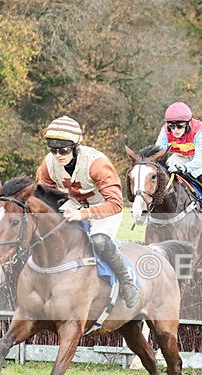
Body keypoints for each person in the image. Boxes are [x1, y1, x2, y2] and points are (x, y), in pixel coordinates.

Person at [36, 115, 140, 308]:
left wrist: (83, 214)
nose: (57, 155)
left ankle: (127, 281)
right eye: (53, 149)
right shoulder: (48, 164)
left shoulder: (97, 164)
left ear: (76, 147)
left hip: (104, 207)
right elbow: (42, 195)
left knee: (99, 241)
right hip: (73, 204)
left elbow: (116, 204)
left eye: (63, 150)